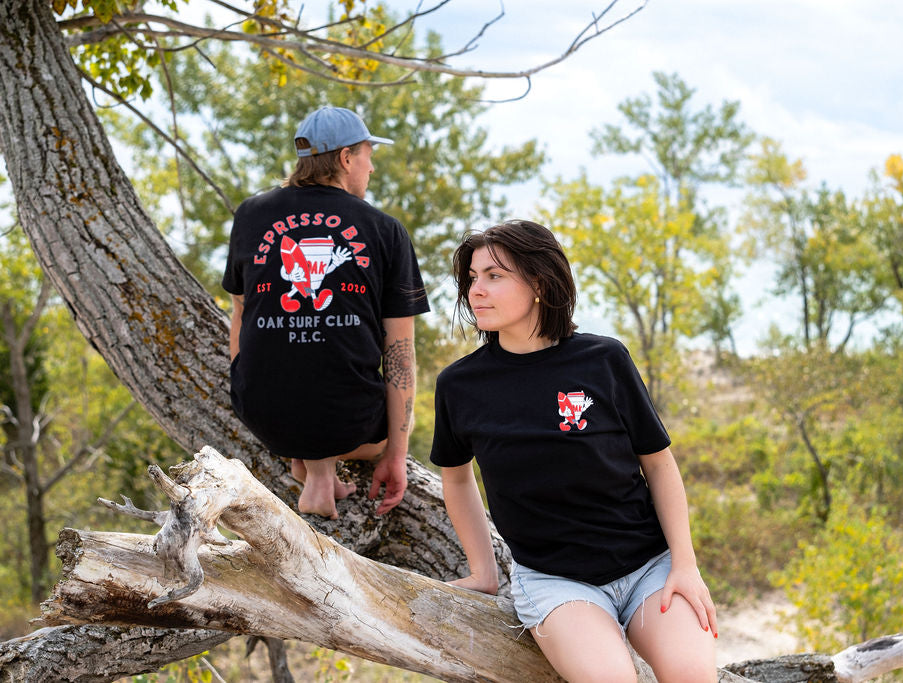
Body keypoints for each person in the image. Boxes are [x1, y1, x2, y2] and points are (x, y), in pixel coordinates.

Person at [430, 220, 717, 683]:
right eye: (472, 278)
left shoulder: (604, 360)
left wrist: (685, 564)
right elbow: (457, 476)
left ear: (539, 282)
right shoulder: (460, 384)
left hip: (649, 567)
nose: (474, 290)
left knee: (693, 677)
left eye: (493, 276)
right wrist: (484, 571)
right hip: (555, 581)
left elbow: (659, 464)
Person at [223, 106, 429, 520]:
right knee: (365, 425)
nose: (371, 168)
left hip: (262, 416)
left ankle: (312, 466)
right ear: (346, 158)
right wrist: (396, 454)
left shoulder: (250, 214)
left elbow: (240, 318)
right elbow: (400, 353)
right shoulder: (385, 230)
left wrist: (247, 386)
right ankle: (320, 479)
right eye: (369, 155)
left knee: (303, 399)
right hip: (354, 426)